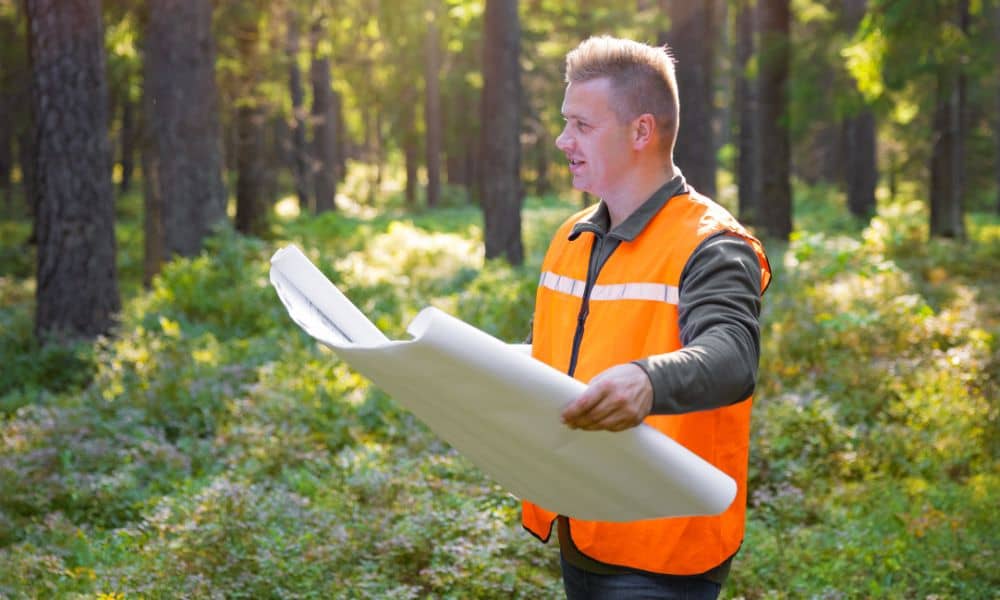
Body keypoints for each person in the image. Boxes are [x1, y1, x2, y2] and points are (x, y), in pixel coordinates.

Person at [521, 36, 772, 599]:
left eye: (582, 126)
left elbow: (732, 354)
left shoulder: (713, 244)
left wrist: (647, 380)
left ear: (642, 131)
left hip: (662, 545)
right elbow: (556, 353)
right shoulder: (572, 236)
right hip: (581, 522)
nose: (563, 141)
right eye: (566, 123)